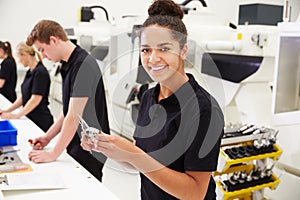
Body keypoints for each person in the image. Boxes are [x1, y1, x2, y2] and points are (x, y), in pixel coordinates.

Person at [81, 0, 224, 199]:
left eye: (164, 49)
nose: (153, 59)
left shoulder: (203, 109)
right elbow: (139, 159)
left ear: (183, 51)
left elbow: (195, 193)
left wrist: (134, 154)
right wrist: (108, 147)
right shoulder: (149, 96)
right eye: (146, 50)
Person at [27, 20, 110, 182]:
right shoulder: (68, 64)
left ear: (53, 40)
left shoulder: (82, 65)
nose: (43, 56)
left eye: (42, 50)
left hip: (90, 148)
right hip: (76, 143)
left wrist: (53, 153)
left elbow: (74, 116)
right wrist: (48, 137)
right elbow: (66, 111)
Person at [0, 42, 54, 132]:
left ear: (24, 55)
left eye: (19, 58)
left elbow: (35, 99)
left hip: (40, 121)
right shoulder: (30, 71)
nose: (19, 61)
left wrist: (17, 115)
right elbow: (24, 96)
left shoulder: (40, 72)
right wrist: (7, 110)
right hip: (30, 116)